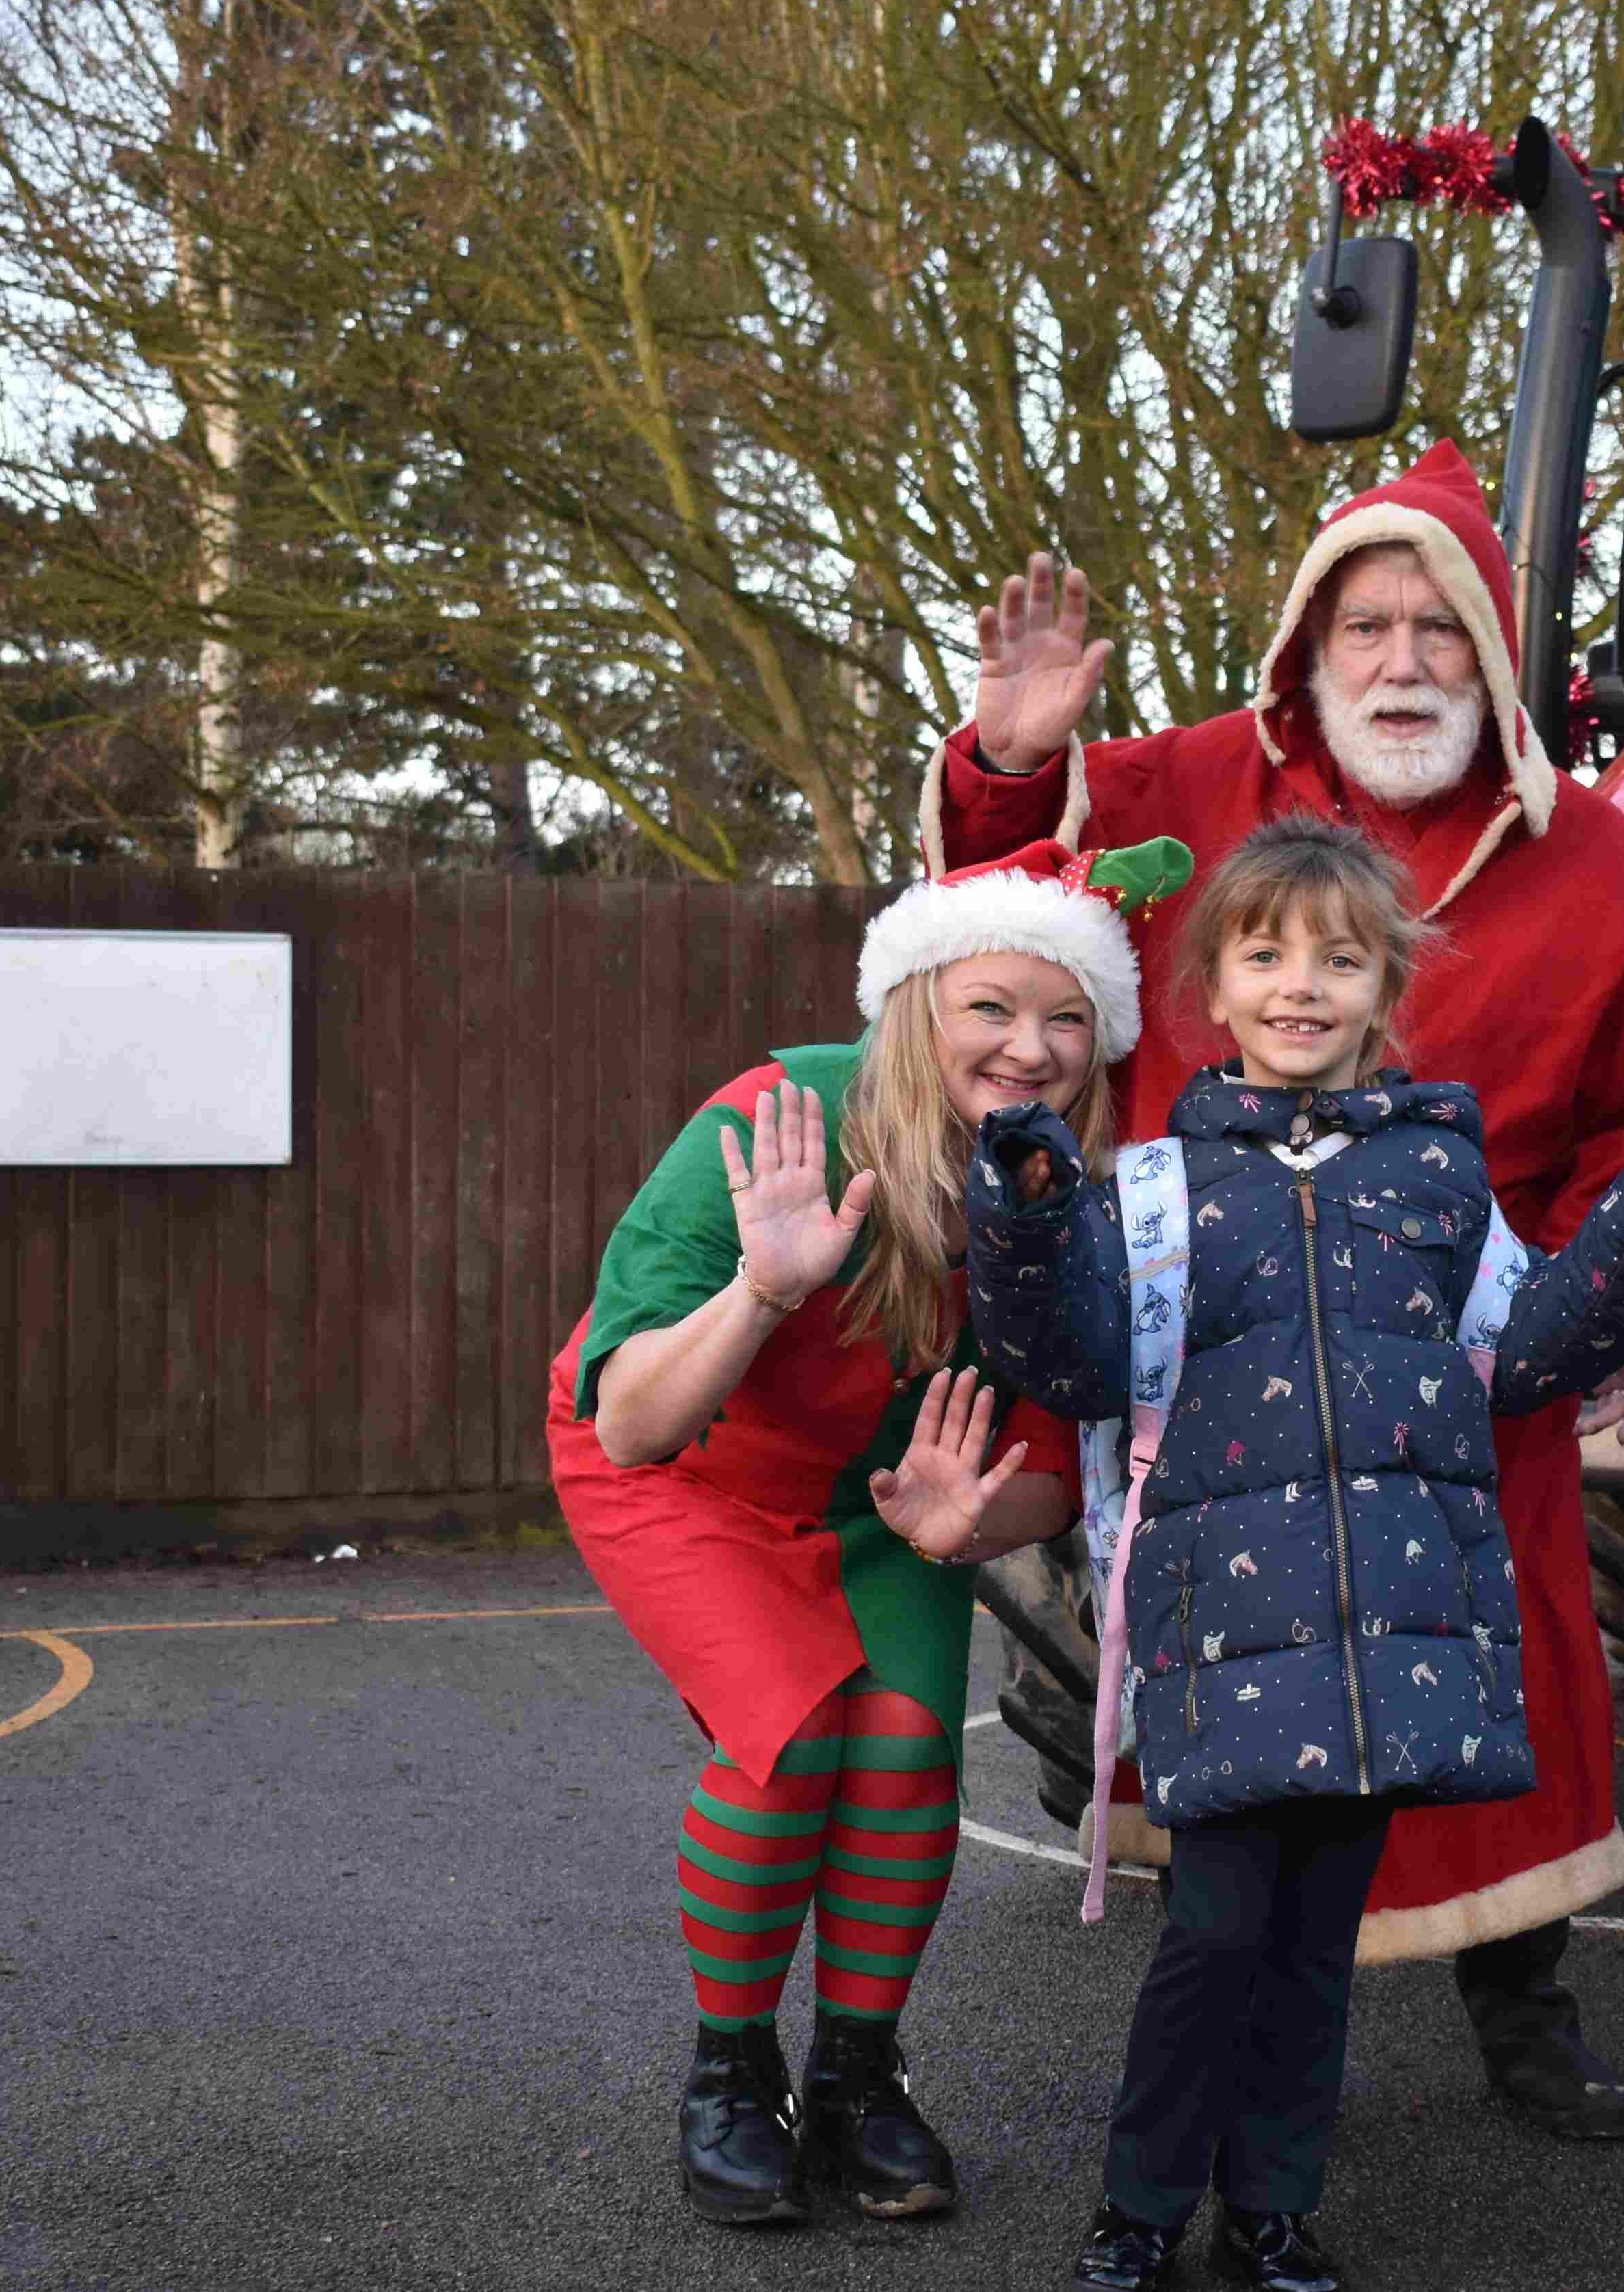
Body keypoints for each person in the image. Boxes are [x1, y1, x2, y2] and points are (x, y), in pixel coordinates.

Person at [931, 440, 1624, 2137]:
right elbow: (1002, 914)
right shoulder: (1184, 785)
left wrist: (1596, 1309)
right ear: (1310, 644)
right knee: (1235, 1693)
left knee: (1522, 1662)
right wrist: (1009, 755)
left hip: (1471, 1350)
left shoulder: (1606, 861)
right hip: (1218, 1349)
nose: (1403, 660)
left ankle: (1527, 2008)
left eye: (1440, 628)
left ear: (1496, 652)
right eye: (1367, 625)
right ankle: (1218, 2078)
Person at [911, 815, 1624, 2292]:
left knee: (1315, 1950)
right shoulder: (1152, 1186)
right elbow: (1067, 1363)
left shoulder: (1440, 1179)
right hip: (1226, 1632)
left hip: (1390, 1630)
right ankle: (1138, 2210)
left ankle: (1271, 2212)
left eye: (1339, 956)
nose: (1301, 982)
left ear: (1384, 986)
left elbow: (1532, 1352)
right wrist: (1023, 1206)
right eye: (1266, 953)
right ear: (1216, 986)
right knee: (1212, 1936)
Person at [542, 832, 1191, 2228]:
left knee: (901, 1752)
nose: (1032, 1045)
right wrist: (765, 1293)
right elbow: (633, 1425)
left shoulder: (1082, 1193)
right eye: (993, 1007)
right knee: (790, 1740)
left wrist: (973, 1520)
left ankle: (855, 2076)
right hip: (695, 1471)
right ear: (916, 1008)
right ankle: (730, 2076)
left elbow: (1068, 1463)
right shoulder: (778, 1115)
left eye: (1067, 1015)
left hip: (897, 1502)